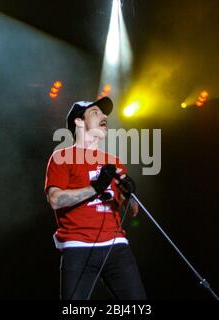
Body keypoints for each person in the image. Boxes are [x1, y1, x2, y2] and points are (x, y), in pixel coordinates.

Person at [44, 96, 146, 300]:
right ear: (79, 121)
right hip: (78, 247)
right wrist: (96, 187)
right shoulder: (62, 157)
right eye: (95, 112)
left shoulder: (113, 161)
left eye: (105, 113)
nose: (104, 116)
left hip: (116, 245)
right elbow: (55, 200)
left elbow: (133, 210)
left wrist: (130, 194)